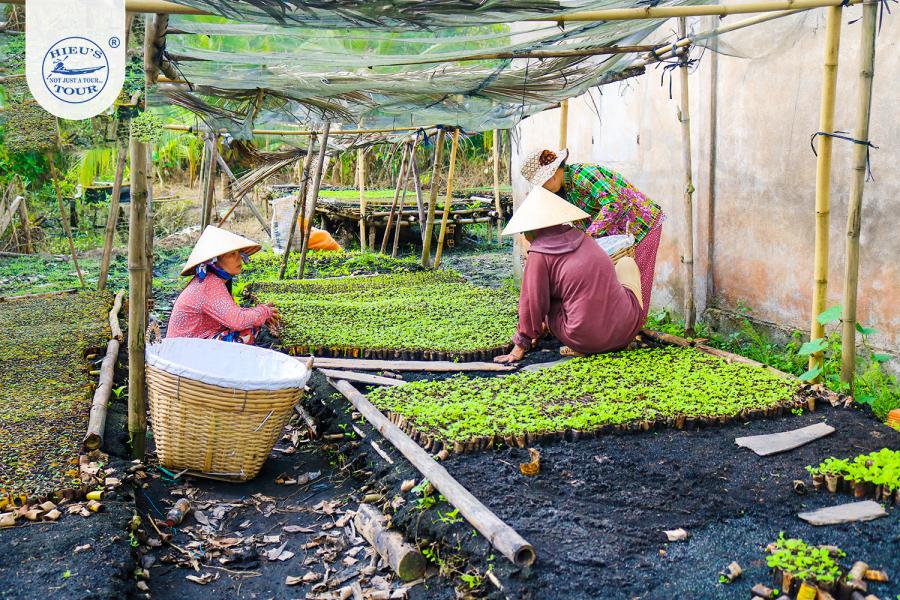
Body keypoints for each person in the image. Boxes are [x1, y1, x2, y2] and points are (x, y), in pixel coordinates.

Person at [494, 187, 644, 364]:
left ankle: (549, 331)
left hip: (585, 339)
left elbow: (532, 303)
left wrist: (521, 344)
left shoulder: (539, 254)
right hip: (625, 330)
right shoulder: (583, 237)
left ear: (533, 230)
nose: (525, 237)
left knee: (547, 298)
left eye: (524, 232)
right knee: (627, 263)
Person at [520, 147, 663, 321]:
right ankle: (619, 323)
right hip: (618, 235)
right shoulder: (564, 191)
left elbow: (613, 203)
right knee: (615, 279)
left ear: (552, 175)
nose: (545, 189)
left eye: (543, 185)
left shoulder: (583, 175)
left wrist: (588, 236)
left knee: (635, 279)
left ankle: (635, 325)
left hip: (641, 224)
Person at [167, 226, 280, 345]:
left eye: (238, 253)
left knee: (252, 323)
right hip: (183, 350)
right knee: (246, 331)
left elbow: (231, 314)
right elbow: (238, 321)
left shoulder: (211, 280)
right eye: (232, 254)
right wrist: (264, 312)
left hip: (189, 344)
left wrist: (260, 313)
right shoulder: (209, 284)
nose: (238, 258)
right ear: (214, 261)